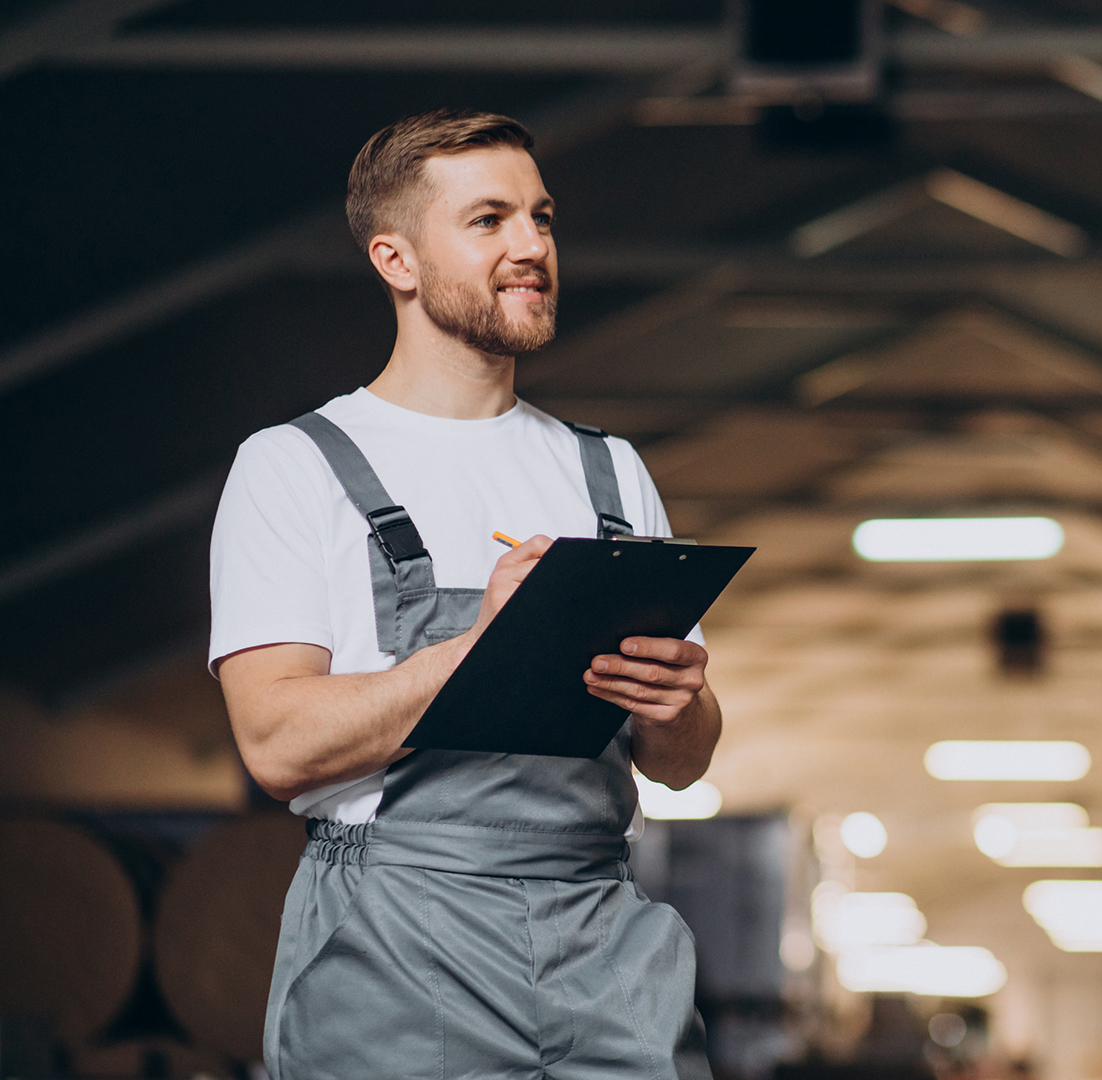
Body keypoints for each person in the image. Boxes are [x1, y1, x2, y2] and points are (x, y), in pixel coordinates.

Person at [208, 108, 718, 1080]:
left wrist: (682, 705)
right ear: (396, 260)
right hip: (397, 941)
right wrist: (485, 645)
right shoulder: (296, 468)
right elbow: (274, 745)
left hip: (601, 931)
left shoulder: (609, 474)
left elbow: (684, 766)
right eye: (489, 221)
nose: (532, 245)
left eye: (542, 217)